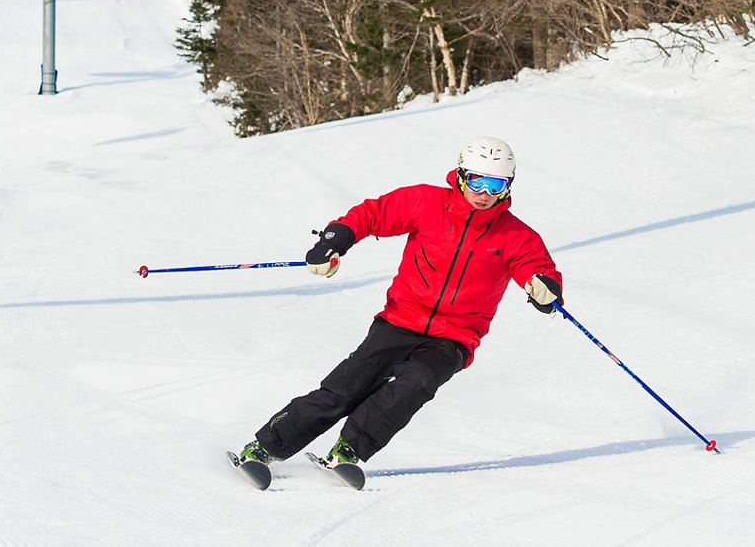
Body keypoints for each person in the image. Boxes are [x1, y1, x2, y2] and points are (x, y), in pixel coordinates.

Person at [237, 136, 562, 480]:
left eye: (495, 185)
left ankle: (349, 450)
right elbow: (373, 214)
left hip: (454, 337)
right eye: (477, 182)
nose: (484, 193)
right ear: (461, 176)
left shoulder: (517, 236)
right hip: (399, 319)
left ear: (507, 186)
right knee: (345, 389)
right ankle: (264, 448)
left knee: (416, 382)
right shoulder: (427, 202)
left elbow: (537, 267)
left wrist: (546, 288)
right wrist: (335, 241)